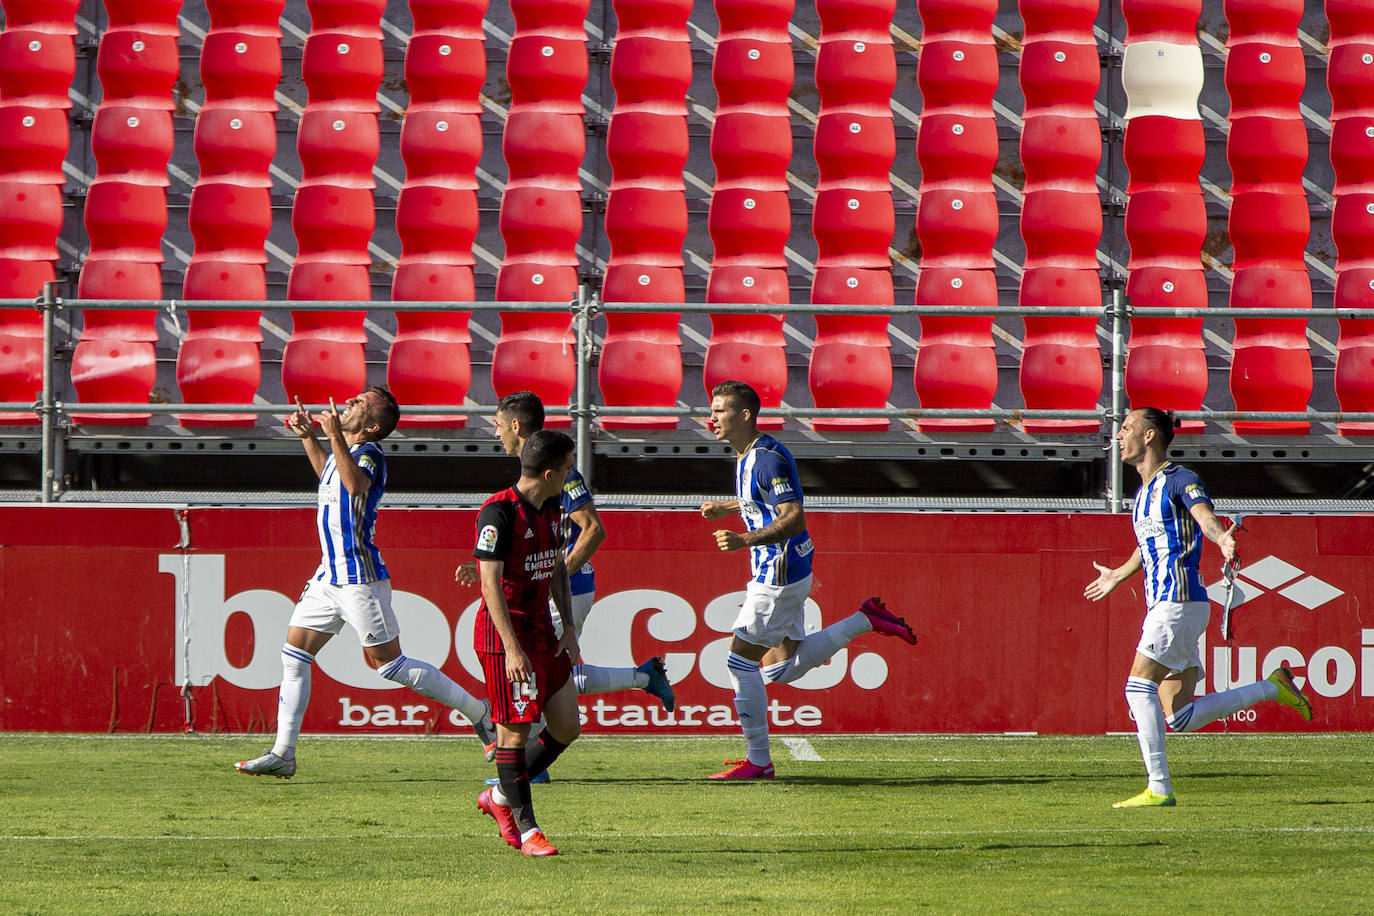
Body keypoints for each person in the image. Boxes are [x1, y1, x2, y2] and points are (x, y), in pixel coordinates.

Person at [235, 387, 495, 778]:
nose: (350, 402)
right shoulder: (347, 453)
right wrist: (309, 435)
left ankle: (480, 713)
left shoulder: (370, 453)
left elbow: (355, 486)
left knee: (389, 666)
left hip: (359, 578)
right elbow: (332, 476)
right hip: (328, 576)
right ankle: (283, 753)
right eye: (354, 397)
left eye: (360, 403)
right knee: (293, 655)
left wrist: (333, 435)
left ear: (372, 426)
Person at [1084, 406, 1313, 808]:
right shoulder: (1142, 494)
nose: (1118, 437)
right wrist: (1119, 575)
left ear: (1150, 435)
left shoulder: (1180, 479)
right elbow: (1149, 545)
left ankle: (1159, 787)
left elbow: (1204, 517)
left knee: (1138, 687)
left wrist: (1222, 539)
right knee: (1180, 715)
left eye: (1125, 429)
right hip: (1174, 606)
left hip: (1178, 602)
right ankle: (1271, 686)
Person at [699, 380, 918, 780]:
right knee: (776, 670)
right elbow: (763, 499)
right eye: (711, 410)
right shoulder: (753, 453)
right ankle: (865, 619)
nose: (710, 418)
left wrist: (742, 538)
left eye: (719, 411)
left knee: (737, 663)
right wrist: (728, 508)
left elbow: (793, 516)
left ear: (744, 415)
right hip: (786, 566)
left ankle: (759, 761)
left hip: (777, 572)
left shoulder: (766, 460)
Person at [456, 391, 675, 769]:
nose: (495, 434)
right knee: (555, 676)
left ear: (515, 425)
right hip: (548, 590)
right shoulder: (532, 478)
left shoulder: (562, 474)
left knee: (540, 676)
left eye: (496, 424)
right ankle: (643, 676)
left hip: (564, 590)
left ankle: (521, 769)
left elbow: (592, 530)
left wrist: (542, 579)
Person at [474, 429, 583, 856]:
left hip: (544, 633)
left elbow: (555, 568)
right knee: (514, 736)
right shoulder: (497, 513)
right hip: (507, 640)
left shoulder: (554, 508)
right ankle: (526, 831)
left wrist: (569, 627)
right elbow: (489, 584)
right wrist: (513, 649)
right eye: (570, 466)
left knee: (566, 727)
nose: (573, 473)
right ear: (551, 471)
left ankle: (499, 797)